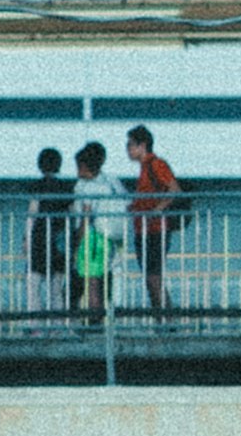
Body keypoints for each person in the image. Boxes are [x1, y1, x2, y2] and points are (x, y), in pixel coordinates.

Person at [124, 121, 181, 321]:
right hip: (144, 230)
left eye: (130, 145)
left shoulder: (156, 164)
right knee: (151, 278)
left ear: (142, 145)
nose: (128, 150)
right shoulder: (144, 169)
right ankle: (163, 318)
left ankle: (166, 319)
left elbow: (174, 189)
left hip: (155, 230)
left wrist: (156, 211)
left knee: (154, 277)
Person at [68, 137, 120, 329]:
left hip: (92, 238)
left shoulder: (89, 187)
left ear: (83, 165)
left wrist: (76, 242)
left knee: (92, 281)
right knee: (99, 278)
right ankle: (97, 317)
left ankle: (94, 320)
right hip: (109, 236)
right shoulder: (111, 182)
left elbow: (85, 218)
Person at [26, 143, 74, 313]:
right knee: (56, 287)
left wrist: (27, 240)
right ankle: (57, 325)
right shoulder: (66, 188)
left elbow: (32, 214)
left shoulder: (37, 186)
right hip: (59, 240)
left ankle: (35, 324)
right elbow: (71, 214)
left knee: (34, 284)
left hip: (39, 239)